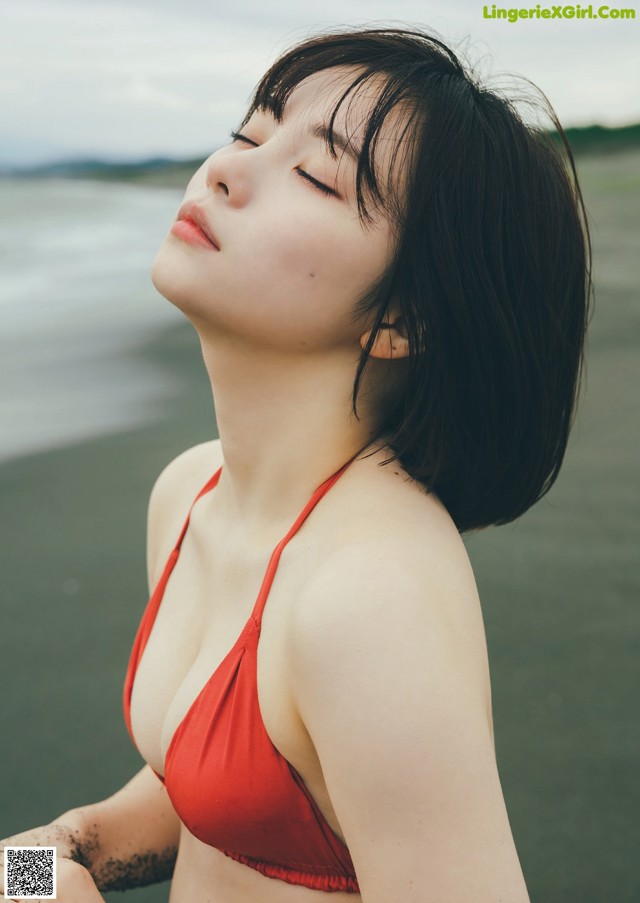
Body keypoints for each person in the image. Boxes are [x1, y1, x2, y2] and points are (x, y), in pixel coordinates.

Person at [0, 25, 591, 903]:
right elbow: (208, 796)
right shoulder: (191, 494)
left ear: (404, 318)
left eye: (315, 174)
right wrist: (45, 858)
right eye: (249, 134)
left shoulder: (367, 598)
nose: (226, 171)